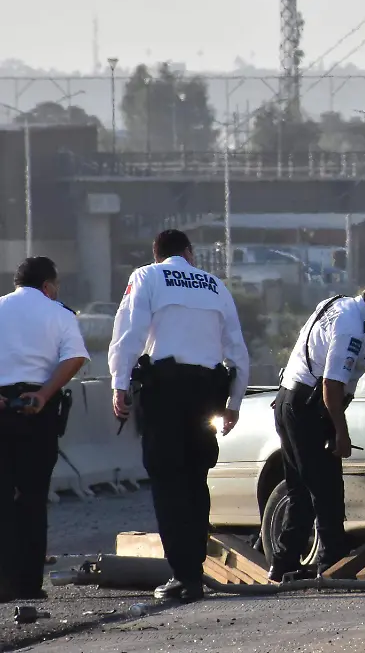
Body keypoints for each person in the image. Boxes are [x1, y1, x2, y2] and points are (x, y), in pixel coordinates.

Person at [109, 230, 250, 603]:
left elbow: (130, 334)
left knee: (168, 482)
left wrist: (119, 383)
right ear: (189, 253)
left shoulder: (147, 277)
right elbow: (236, 348)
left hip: (165, 394)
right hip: (207, 395)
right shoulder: (215, 284)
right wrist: (233, 402)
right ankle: (194, 569)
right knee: (195, 480)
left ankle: (183, 574)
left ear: (156, 254)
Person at [269, 273, 365, 581]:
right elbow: (331, 386)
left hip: (290, 401)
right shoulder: (352, 328)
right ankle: (331, 566)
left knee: (302, 490)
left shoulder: (337, 305)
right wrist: (341, 434)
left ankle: (283, 565)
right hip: (308, 407)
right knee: (327, 490)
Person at [0, 258, 89, 603]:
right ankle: (28, 584)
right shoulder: (60, 314)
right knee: (34, 499)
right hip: (38, 412)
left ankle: (2, 582)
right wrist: (42, 394)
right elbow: (74, 358)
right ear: (48, 286)